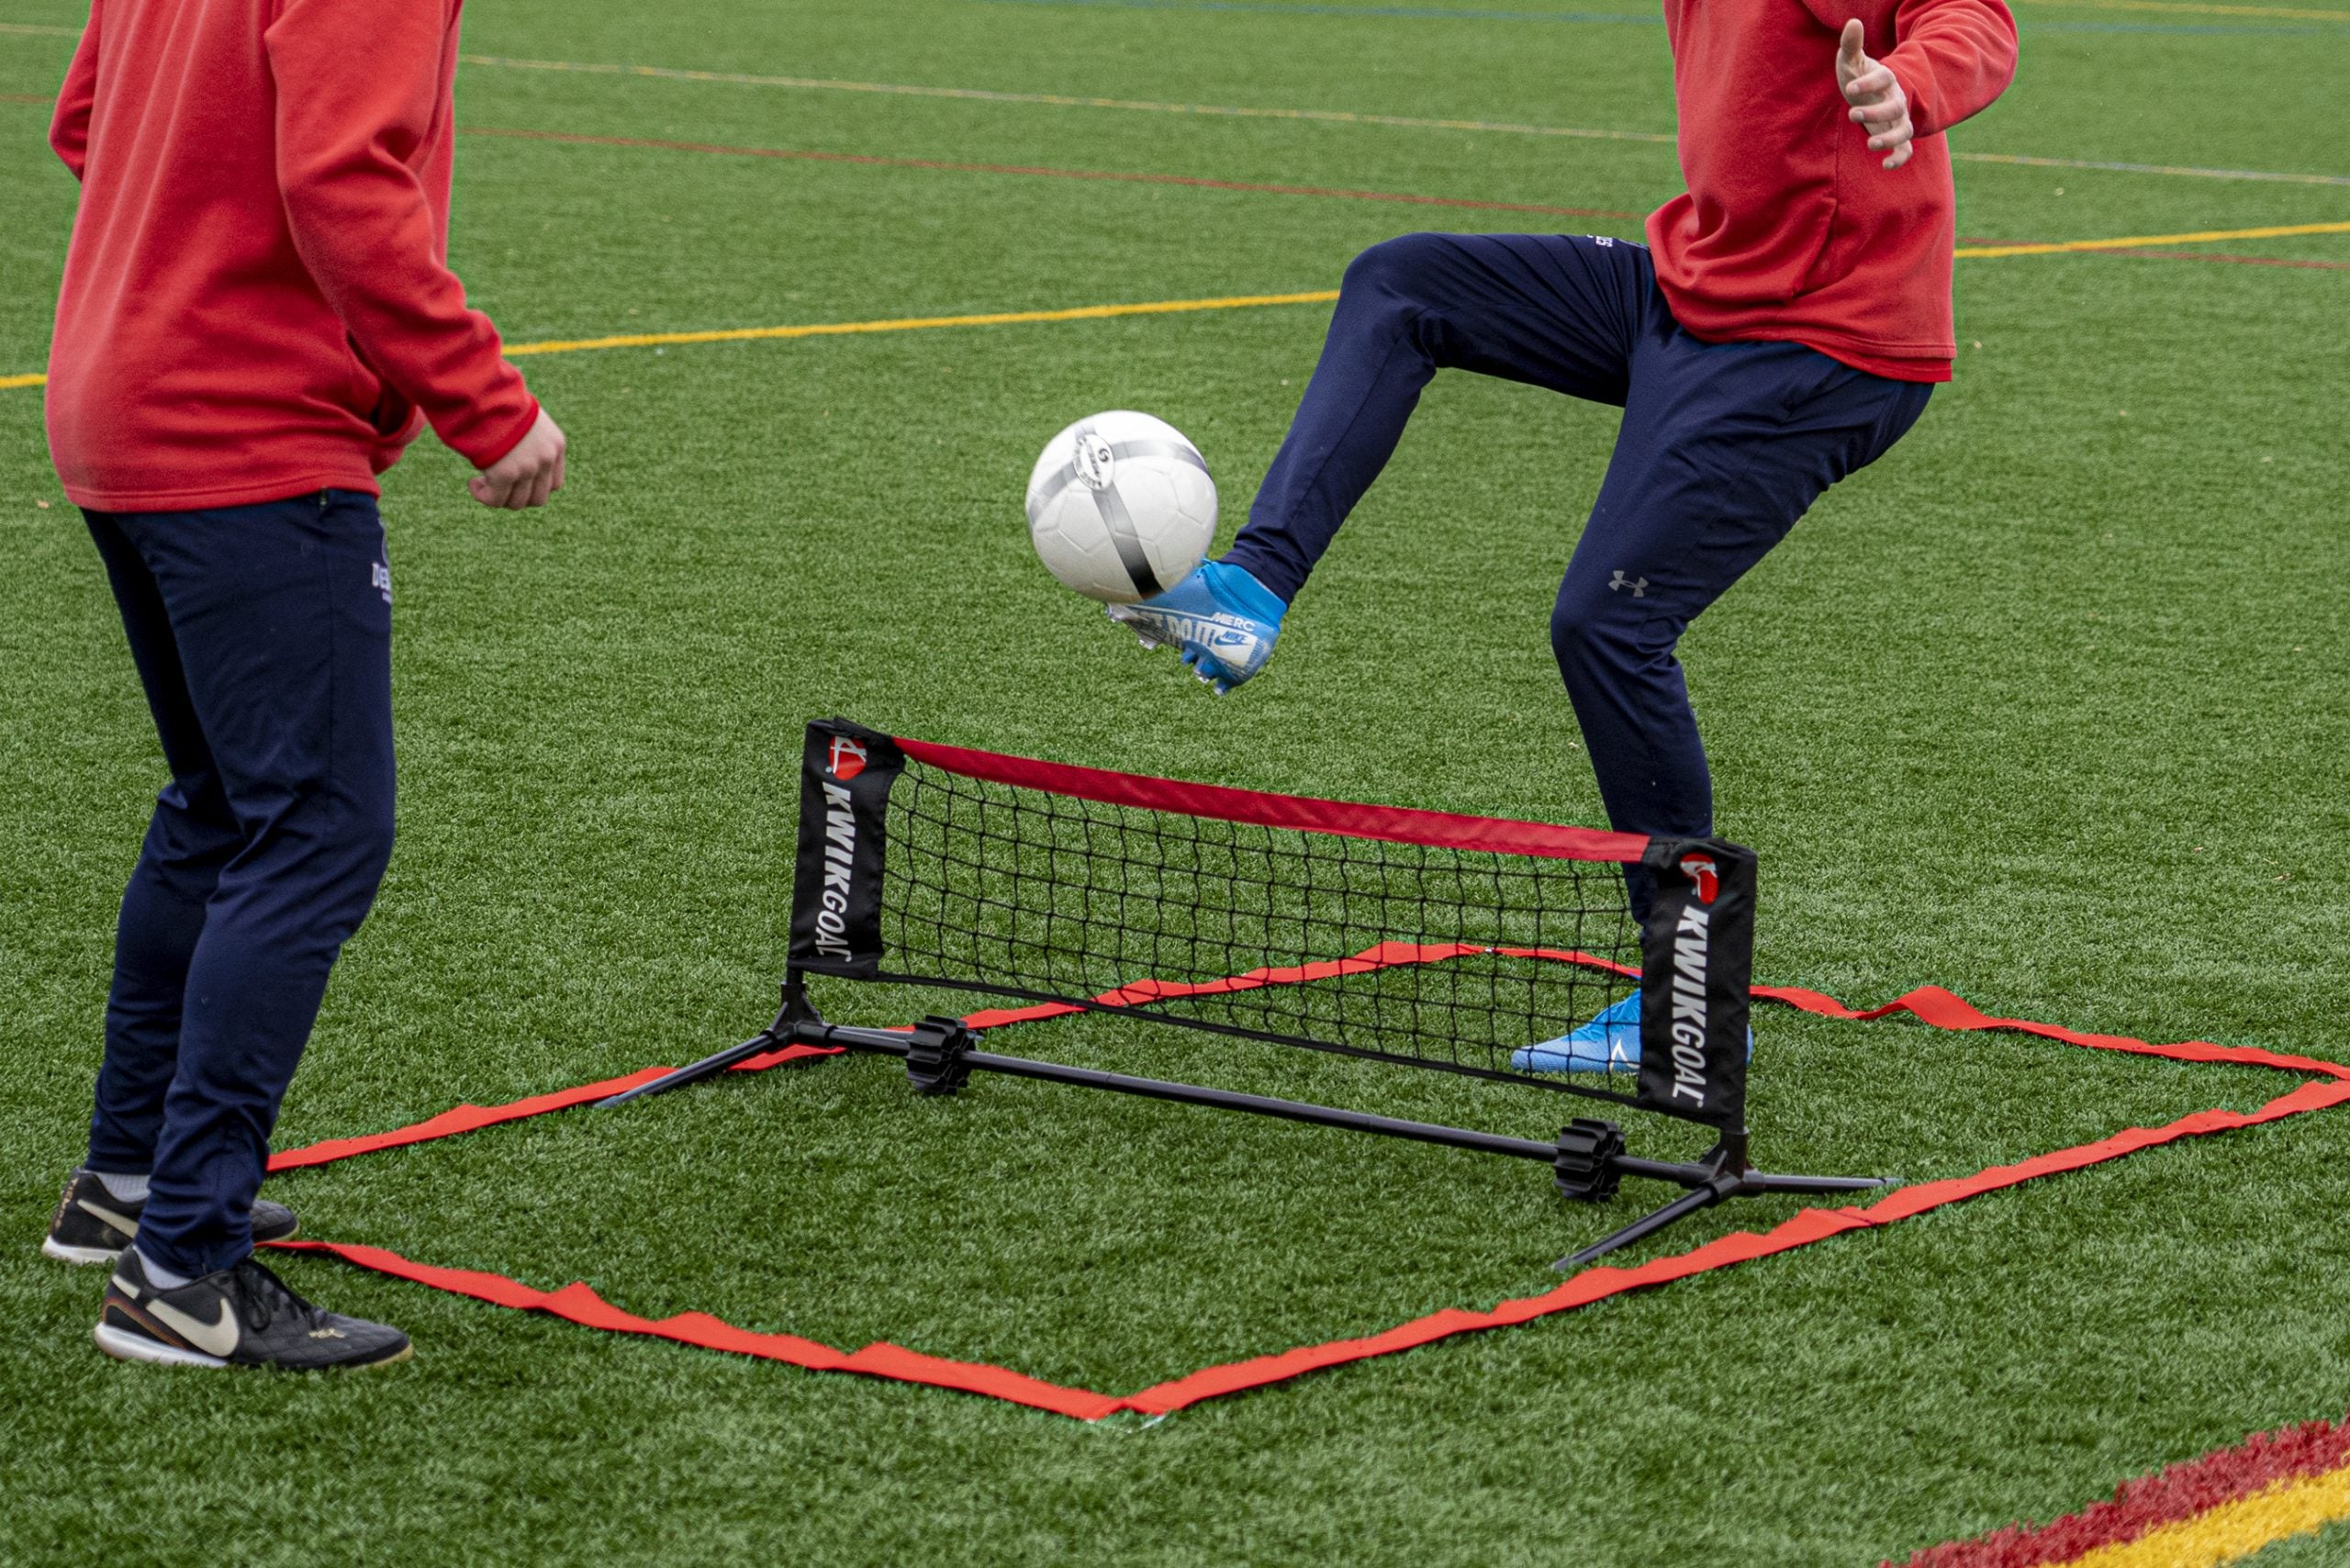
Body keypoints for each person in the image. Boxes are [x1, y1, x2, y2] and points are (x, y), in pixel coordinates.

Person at [1113, 1, 2017, 1070]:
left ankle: (1673, 998)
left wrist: (1907, 86)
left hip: (1823, 341)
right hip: (1699, 288)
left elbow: (1971, 18)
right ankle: (1251, 593)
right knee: (1402, 286)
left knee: (1607, 623)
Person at [39, 0, 565, 1370]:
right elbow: (340, 179)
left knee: (220, 806)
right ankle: (183, 1269)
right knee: (320, 827)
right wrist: (483, 403)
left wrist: (182, 273)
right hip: (242, 436)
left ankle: (132, 1187)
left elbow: (84, 121)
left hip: (116, 398)